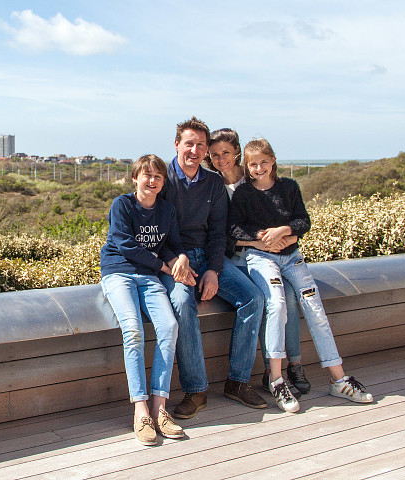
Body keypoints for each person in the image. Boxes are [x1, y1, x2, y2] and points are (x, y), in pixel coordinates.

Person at [228, 137, 374, 413]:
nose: (259, 168)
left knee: (315, 309)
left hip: (292, 256)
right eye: (253, 164)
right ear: (246, 166)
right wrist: (262, 237)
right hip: (261, 258)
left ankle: (339, 379)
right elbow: (235, 229)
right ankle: (276, 379)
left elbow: (302, 221)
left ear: (273, 161)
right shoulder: (244, 193)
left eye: (264, 162)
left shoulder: (289, 187)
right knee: (278, 304)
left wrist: (282, 232)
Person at [159, 117, 267, 419]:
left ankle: (238, 381)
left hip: (206, 257)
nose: (194, 150)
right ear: (177, 144)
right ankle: (196, 390)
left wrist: (213, 270)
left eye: (200, 145)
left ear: (205, 150)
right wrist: (173, 258)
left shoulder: (213, 183)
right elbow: (155, 230)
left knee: (253, 298)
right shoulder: (164, 179)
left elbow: (218, 232)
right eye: (188, 143)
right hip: (175, 260)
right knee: (182, 301)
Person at [206, 128, 310, 398]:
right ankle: (269, 372)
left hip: (271, 255)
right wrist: (256, 243)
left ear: (237, 152)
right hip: (237, 258)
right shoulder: (212, 185)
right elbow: (224, 232)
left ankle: (292, 366)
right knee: (268, 299)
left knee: (288, 296)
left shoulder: (255, 177)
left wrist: (284, 236)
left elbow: (286, 215)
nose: (220, 159)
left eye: (226, 153)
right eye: (214, 154)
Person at [100, 154, 189, 445]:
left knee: (169, 327)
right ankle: (140, 410)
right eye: (146, 175)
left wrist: (182, 259)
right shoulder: (122, 205)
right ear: (135, 178)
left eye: (158, 177)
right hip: (119, 273)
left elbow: (172, 245)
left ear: (163, 183)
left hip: (148, 278)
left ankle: (159, 407)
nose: (151, 181)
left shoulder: (166, 210)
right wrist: (165, 267)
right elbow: (125, 246)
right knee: (134, 331)